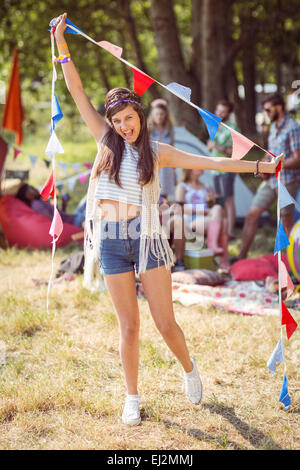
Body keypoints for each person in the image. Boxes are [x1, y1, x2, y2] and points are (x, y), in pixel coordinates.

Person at [54, 13, 283, 426]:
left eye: (129, 118)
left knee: (165, 323)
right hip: (110, 239)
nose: (123, 127)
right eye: (116, 121)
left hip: (145, 238)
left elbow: (213, 160)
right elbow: (76, 92)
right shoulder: (103, 140)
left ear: (140, 115)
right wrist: (62, 47)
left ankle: (189, 368)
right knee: (129, 327)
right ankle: (132, 397)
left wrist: (262, 168)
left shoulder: (158, 152)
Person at [237, 93, 300, 260]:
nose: (265, 113)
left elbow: (297, 158)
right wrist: (264, 166)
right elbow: (271, 155)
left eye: (267, 109)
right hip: (271, 180)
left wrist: (276, 166)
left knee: (286, 222)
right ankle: (241, 257)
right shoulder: (272, 128)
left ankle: (295, 268)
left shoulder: (292, 127)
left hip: (287, 181)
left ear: (278, 108)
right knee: (252, 214)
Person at [175, 169, 230, 272]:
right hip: (191, 220)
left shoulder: (207, 186)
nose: (201, 168)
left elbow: (213, 208)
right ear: (189, 170)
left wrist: (211, 201)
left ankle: (215, 249)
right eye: (197, 166)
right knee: (224, 221)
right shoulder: (182, 186)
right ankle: (223, 260)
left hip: (208, 219)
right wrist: (204, 211)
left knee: (220, 212)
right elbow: (179, 208)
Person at [207, 100, 239, 240]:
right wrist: (210, 145)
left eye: (223, 112)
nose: (219, 113)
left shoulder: (233, 128)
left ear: (228, 113)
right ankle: (223, 229)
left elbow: (236, 151)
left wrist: (219, 147)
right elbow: (211, 145)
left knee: (228, 200)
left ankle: (231, 231)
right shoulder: (214, 125)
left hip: (227, 168)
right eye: (218, 110)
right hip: (215, 168)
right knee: (219, 199)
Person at [15, 183, 85, 228]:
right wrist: (55, 205)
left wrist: (64, 204)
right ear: (27, 195)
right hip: (74, 222)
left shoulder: (39, 202)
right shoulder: (36, 204)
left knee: (86, 200)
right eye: (31, 189)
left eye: (32, 187)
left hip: (73, 218)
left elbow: (61, 216)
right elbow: (52, 220)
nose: (34, 189)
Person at [148, 99, 177, 200]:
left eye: (162, 114)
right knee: (152, 193)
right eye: (157, 114)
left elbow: (172, 147)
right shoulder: (149, 129)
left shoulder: (169, 129)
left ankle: (163, 214)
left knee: (164, 194)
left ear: (165, 115)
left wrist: (174, 168)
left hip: (166, 165)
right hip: (152, 164)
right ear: (152, 115)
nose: (159, 117)